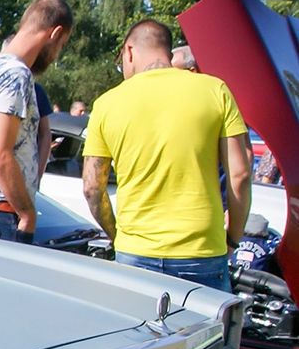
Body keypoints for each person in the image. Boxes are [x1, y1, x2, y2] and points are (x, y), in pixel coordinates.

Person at [82, 19, 251, 292]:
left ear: (129, 51)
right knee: (204, 335)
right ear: (168, 52)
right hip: (202, 252)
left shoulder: (106, 104)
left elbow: (92, 188)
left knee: (137, 335)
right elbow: (240, 174)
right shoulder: (215, 90)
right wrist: (233, 238)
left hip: (135, 252)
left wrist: (118, 237)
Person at [0, 0, 74, 243]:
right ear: (55, 33)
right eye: (61, 45)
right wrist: (28, 213)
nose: (56, 56)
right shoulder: (15, 73)